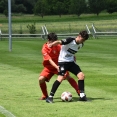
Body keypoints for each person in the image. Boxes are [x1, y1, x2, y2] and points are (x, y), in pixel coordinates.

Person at [46, 30, 89, 103]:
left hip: (71, 63)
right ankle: (50, 97)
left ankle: (82, 96)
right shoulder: (70, 40)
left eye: (84, 40)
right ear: (79, 36)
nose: (83, 41)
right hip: (62, 62)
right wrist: (51, 44)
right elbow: (59, 42)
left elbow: (72, 52)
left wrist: (73, 57)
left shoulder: (81, 45)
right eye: (82, 39)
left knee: (81, 76)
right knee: (60, 78)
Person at [39, 32, 80, 100]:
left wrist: (73, 56)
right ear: (48, 40)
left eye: (55, 41)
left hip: (59, 65)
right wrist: (56, 67)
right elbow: (49, 60)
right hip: (49, 67)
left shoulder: (58, 46)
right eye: (53, 41)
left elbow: (67, 51)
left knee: (67, 76)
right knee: (41, 79)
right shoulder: (44, 48)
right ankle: (45, 95)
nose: (54, 42)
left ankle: (79, 92)